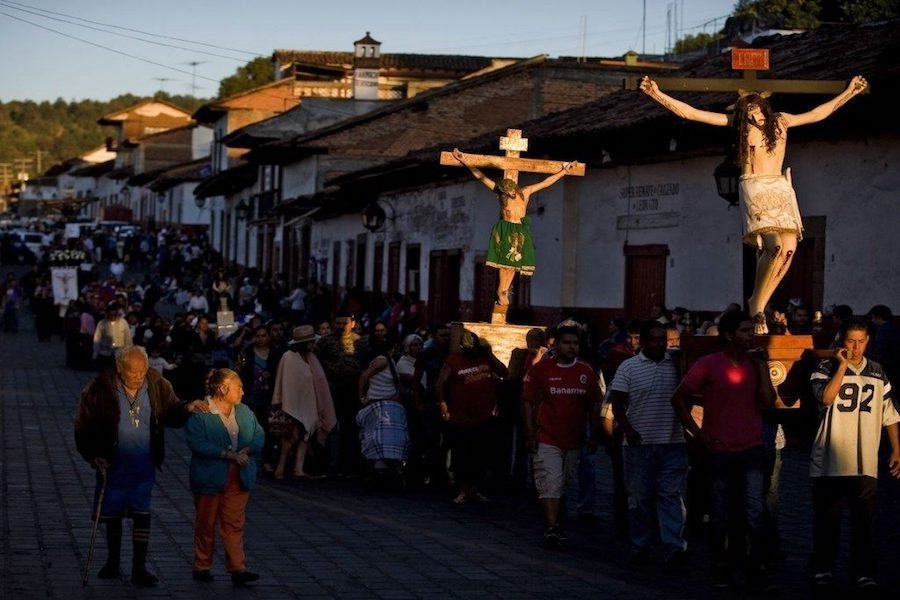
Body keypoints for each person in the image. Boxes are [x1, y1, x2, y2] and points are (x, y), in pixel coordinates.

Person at [640, 75, 869, 333]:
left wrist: (849, 92)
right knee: (773, 245)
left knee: (789, 248)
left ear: (764, 105)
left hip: (779, 186)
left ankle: (759, 301)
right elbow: (691, 113)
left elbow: (817, 114)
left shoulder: (781, 121)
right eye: (746, 108)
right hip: (755, 185)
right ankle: (757, 305)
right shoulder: (738, 124)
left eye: (755, 106)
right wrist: (656, 94)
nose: (752, 111)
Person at [74, 345, 207, 586]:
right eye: (132, 371)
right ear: (119, 368)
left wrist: (187, 407)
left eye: (141, 371)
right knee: (112, 513)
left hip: (143, 464)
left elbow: (170, 411)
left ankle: (139, 567)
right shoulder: (99, 388)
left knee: (141, 512)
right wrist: (93, 455)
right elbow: (84, 425)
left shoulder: (156, 384)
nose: (138, 376)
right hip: (113, 463)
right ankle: (113, 561)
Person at [672, 311, 776, 591]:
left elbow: (768, 401)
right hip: (719, 450)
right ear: (730, 335)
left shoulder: (755, 365)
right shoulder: (708, 364)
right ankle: (722, 566)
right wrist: (696, 433)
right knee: (721, 512)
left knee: (753, 511)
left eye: (752, 330)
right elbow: (679, 397)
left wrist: (762, 368)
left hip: (752, 449)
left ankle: (755, 568)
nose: (751, 336)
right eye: (745, 331)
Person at [808, 318, 900, 592]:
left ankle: (863, 572)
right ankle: (823, 568)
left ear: (868, 341)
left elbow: (889, 414)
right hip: (829, 460)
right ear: (841, 340)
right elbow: (826, 398)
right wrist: (842, 366)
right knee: (828, 522)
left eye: (861, 341)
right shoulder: (825, 367)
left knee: (865, 523)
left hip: (864, 460)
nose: (856, 347)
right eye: (851, 341)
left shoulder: (877, 371)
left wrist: (896, 448)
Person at [451, 147, 576, 305]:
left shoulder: (525, 192)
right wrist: (465, 160)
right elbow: (482, 177)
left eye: (510, 191)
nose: (509, 194)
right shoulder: (501, 194)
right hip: (506, 229)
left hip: (520, 230)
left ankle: (505, 291)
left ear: (514, 188)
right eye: (506, 192)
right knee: (505, 264)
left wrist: (564, 171)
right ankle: (501, 291)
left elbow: (545, 183)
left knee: (514, 264)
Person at [609, 321, 686, 567]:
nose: (660, 344)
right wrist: (629, 431)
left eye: (663, 339)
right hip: (639, 443)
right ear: (642, 341)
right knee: (639, 498)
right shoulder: (628, 367)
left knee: (669, 495)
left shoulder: (676, 366)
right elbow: (617, 404)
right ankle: (640, 544)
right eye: (654, 339)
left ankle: (673, 545)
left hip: (673, 441)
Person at [522, 325, 600, 546]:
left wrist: (594, 434)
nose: (571, 347)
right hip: (547, 437)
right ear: (556, 344)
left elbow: (594, 405)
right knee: (550, 482)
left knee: (562, 483)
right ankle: (552, 527)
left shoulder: (586, 372)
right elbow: (527, 403)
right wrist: (529, 433)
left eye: (575, 343)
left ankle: (557, 519)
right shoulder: (540, 370)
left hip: (574, 439)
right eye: (567, 343)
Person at [186, 368, 264, 587]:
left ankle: (238, 568)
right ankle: (202, 566)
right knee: (206, 523)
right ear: (222, 389)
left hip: (238, 476)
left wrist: (246, 450)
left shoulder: (244, 411)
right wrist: (227, 454)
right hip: (209, 477)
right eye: (238, 387)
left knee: (234, 523)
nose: (242, 392)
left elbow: (259, 435)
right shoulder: (202, 413)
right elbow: (197, 442)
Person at [437, 330, 508, 503]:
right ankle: (462, 489)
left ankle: (475, 489)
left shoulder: (485, 358)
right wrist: (443, 404)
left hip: (484, 415)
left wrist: (489, 354)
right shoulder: (453, 359)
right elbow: (440, 384)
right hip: (461, 416)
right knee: (462, 454)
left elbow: (503, 372)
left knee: (481, 454)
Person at [271, 325, 337, 480]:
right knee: (291, 438)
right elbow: (284, 381)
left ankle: (298, 469)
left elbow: (318, 381)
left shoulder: (312, 358)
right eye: (310, 342)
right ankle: (280, 467)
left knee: (305, 435)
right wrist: (282, 401)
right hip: (292, 403)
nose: (313, 344)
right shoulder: (288, 357)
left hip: (308, 403)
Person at [93, 302, 133, 371]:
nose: (112, 317)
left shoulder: (123, 322)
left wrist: (128, 352)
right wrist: (95, 354)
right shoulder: (101, 323)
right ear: (106, 314)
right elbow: (97, 339)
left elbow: (128, 337)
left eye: (114, 315)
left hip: (119, 353)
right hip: (105, 353)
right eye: (110, 315)